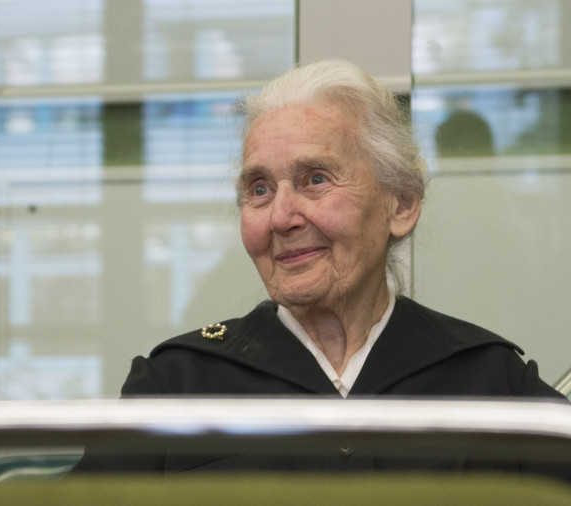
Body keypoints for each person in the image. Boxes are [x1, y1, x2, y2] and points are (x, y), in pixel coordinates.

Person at [70, 59, 565, 475]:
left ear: (401, 205)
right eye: (259, 189)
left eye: (315, 179)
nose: (282, 217)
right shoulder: (177, 387)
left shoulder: (492, 383)